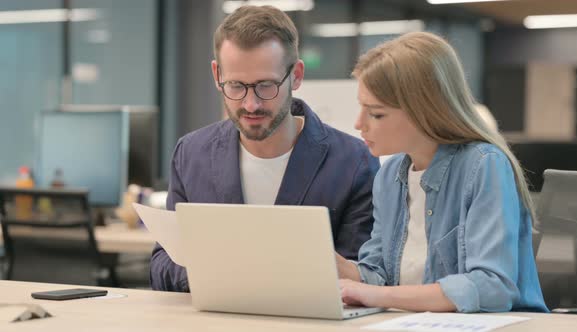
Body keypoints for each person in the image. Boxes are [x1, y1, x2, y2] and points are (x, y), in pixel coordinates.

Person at [150, 5, 380, 292]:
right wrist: (220, 274)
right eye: (235, 86)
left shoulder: (354, 162)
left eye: (265, 86)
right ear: (216, 74)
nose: (250, 104)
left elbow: (363, 274)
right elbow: (162, 263)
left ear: (295, 75)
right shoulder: (191, 154)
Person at [336, 32, 548, 313]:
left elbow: (491, 287)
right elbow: (378, 275)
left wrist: (377, 296)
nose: (358, 123)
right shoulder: (389, 176)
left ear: (423, 112)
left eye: (376, 114)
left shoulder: (484, 166)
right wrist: (328, 263)